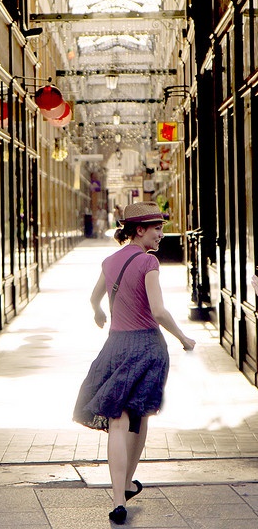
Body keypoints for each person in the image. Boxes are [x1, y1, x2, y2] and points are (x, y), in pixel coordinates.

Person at [72, 201, 196, 525]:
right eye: (157, 228)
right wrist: (183, 338)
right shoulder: (148, 262)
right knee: (139, 417)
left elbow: (94, 298)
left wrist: (99, 313)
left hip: (115, 346)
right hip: (147, 347)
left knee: (117, 421)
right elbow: (157, 310)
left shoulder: (110, 260)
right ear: (139, 230)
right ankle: (127, 482)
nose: (161, 235)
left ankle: (118, 499)